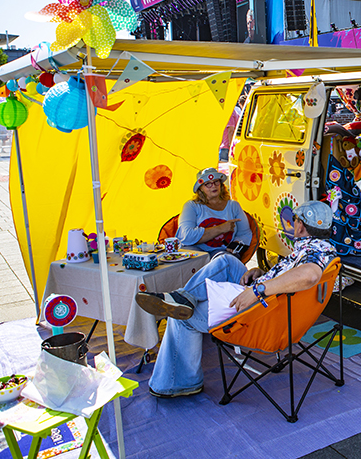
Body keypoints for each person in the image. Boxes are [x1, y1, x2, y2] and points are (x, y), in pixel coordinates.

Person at [135, 200, 336, 398]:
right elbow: (293, 275)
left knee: (183, 317)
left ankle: (176, 384)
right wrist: (263, 273)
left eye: (294, 220)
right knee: (226, 260)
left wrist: (258, 289)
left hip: (263, 314)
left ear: (300, 225)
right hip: (273, 305)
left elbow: (309, 275)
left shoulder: (313, 251)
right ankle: (184, 297)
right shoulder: (321, 247)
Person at [177, 167, 252, 258]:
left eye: (216, 182)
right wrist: (221, 228)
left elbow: (245, 233)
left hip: (222, 254)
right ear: (201, 189)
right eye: (208, 184)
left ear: (221, 184)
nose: (213, 186)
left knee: (225, 260)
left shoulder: (233, 206)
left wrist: (236, 243)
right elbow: (186, 236)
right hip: (196, 252)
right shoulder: (192, 206)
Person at [219, 95, 246, 162]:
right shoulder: (236, 113)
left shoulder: (230, 114)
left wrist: (230, 146)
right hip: (230, 145)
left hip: (226, 146)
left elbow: (230, 131)